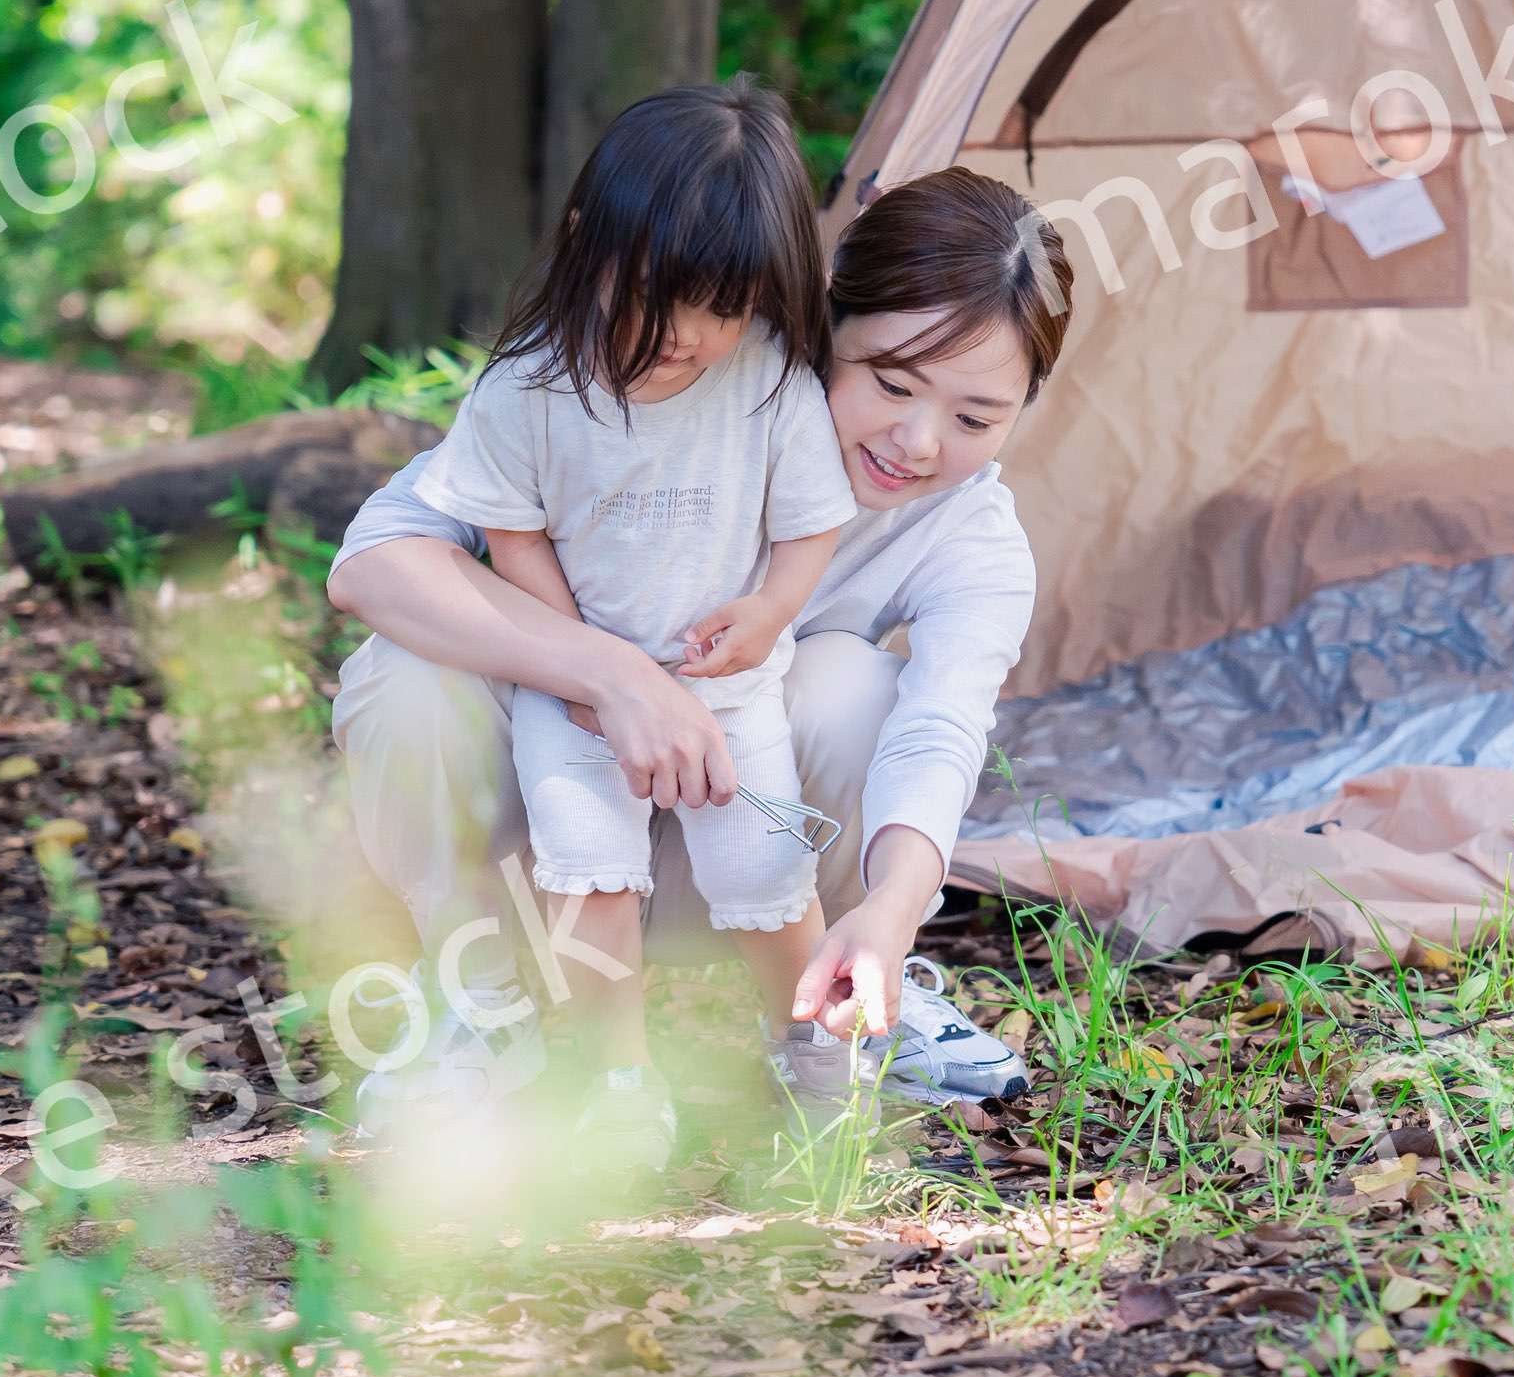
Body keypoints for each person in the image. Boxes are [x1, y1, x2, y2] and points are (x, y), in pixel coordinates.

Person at [327, 160, 1070, 1139]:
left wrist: (894, 906)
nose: (919, 440)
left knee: (850, 679)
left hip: (741, 867)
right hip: (549, 845)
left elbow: (942, 726)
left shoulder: (968, 534)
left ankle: (821, 1018)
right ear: (819, 329)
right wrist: (610, 672)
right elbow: (372, 566)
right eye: (891, 382)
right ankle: (480, 1007)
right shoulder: (656, 393)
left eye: (976, 417)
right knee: (409, 672)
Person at [392, 83, 855, 1167]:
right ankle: (616, 1079)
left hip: (728, 691)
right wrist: (585, 675)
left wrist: (770, 610)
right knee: (588, 874)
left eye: (721, 307)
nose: (683, 337)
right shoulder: (524, 392)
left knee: (764, 869)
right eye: (654, 293)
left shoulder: (770, 388)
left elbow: (808, 533)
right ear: (583, 247)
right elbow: (516, 540)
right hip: (577, 701)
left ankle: (811, 1053)